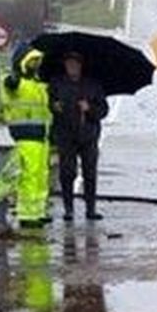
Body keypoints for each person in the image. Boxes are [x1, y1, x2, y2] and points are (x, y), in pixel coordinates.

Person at [47, 51, 110, 222]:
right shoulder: (57, 83)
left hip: (88, 136)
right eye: (69, 64)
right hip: (65, 135)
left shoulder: (93, 85)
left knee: (90, 172)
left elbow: (103, 110)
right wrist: (55, 107)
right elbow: (49, 103)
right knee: (67, 172)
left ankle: (91, 208)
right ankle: (69, 209)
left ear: (80, 66)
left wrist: (89, 108)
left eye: (75, 64)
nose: (71, 67)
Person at [0, 45, 52, 228]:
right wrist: (15, 76)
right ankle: (27, 214)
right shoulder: (14, 81)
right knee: (28, 175)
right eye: (32, 61)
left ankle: (38, 211)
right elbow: (9, 86)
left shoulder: (40, 84)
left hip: (42, 136)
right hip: (25, 136)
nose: (36, 65)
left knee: (41, 175)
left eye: (37, 61)